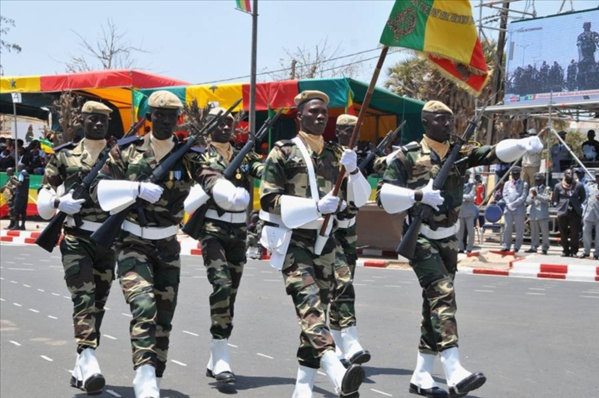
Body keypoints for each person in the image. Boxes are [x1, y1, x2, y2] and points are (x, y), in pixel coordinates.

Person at [377, 100, 543, 398]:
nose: (447, 124)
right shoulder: (408, 154)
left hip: (449, 238)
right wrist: (418, 195)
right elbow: (384, 195)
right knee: (443, 293)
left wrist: (522, 144)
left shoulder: (459, 150)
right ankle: (453, 370)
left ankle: (422, 374)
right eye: (440, 120)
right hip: (421, 237)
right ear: (426, 122)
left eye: (449, 120)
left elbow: (491, 153)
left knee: (434, 305)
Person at [260, 90, 371, 398]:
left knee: (318, 313)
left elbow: (360, 199)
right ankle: (336, 370)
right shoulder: (283, 152)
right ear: (300, 116)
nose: (321, 116)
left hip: (328, 241)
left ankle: (303, 387)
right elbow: (269, 199)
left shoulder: (337, 154)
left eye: (324, 112)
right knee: (309, 306)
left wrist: (354, 170)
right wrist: (314, 207)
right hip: (295, 241)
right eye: (313, 112)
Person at [94, 91, 202, 398]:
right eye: (159, 114)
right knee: (144, 306)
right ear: (149, 117)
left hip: (167, 245)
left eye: (171, 116)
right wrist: (134, 188)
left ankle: (154, 374)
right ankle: (142, 373)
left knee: (164, 318)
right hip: (132, 242)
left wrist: (219, 185)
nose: (166, 120)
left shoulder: (189, 154)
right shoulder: (127, 152)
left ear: (178, 118)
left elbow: (209, 175)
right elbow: (98, 190)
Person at [36, 101, 115, 395]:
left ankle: (80, 363)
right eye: (93, 119)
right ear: (82, 119)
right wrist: (59, 202)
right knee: (83, 298)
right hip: (75, 238)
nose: (98, 124)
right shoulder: (64, 155)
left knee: (98, 304)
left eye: (103, 120)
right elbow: (43, 194)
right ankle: (90, 359)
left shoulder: (118, 154)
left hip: (107, 241)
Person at [192, 106, 264, 384]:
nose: (225, 128)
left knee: (231, 291)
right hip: (212, 229)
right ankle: (220, 351)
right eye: (219, 123)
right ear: (209, 126)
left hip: (238, 231)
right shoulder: (201, 157)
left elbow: (262, 168)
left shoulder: (243, 154)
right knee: (221, 284)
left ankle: (217, 350)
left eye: (229, 123)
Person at [329, 114, 371, 368]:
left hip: (350, 229)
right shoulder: (329, 155)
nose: (349, 135)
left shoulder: (357, 159)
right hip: (331, 229)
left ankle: (336, 344)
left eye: (354, 131)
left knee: (341, 286)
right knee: (343, 281)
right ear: (338, 133)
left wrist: (355, 170)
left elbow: (363, 195)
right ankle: (351, 338)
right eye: (345, 131)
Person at [553, 168, 586, 257]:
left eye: (571, 173)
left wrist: (576, 204)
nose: (570, 175)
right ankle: (565, 250)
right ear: (564, 175)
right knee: (563, 232)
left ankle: (574, 251)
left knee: (574, 232)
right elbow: (555, 198)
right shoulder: (558, 186)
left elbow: (583, 197)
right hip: (563, 211)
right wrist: (560, 205)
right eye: (568, 173)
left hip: (574, 212)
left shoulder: (578, 185)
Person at [501, 166, 528, 253]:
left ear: (519, 174)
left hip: (519, 209)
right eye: (513, 174)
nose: (515, 175)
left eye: (517, 174)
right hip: (508, 209)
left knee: (519, 229)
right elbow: (504, 195)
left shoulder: (524, 184)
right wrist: (509, 204)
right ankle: (506, 246)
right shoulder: (507, 183)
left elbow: (523, 196)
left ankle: (517, 246)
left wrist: (514, 204)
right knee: (507, 228)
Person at [526, 173, 551, 255]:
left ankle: (545, 247)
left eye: (539, 180)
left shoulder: (547, 188)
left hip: (543, 213)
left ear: (543, 180)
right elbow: (528, 201)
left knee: (545, 233)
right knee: (534, 232)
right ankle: (534, 246)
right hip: (534, 213)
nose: (537, 182)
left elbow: (547, 199)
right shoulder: (532, 189)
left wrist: (537, 195)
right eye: (536, 180)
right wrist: (532, 197)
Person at [580, 169, 599, 259]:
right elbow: (585, 199)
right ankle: (586, 251)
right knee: (586, 232)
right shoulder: (590, 186)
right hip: (589, 213)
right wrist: (583, 212)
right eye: (597, 177)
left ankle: (597, 253)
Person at [458, 171, 477, 253]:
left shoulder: (472, 186)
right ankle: (460, 247)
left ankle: (469, 248)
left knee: (470, 231)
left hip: (469, 212)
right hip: (460, 211)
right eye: (464, 176)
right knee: (459, 232)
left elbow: (471, 196)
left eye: (467, 176)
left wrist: (462, 196)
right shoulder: (458, 185)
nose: (465, 177)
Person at [10, 163, 29, 230]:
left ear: (21, 167)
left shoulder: (21, 174)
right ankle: (23, 225)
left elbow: (20, 183)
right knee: (23, 210)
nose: (17, 168)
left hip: (20, 194)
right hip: (25, 195)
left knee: (16, 209)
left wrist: (14, 181)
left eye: (18, 166)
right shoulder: (27, 174)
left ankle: (16, 225)